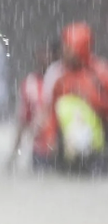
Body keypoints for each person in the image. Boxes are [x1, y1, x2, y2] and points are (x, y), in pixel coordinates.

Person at [39, 22, 108, 172]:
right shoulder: (57, 74)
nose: (63, 51)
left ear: (80, 48)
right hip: (65, 146)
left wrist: (92, 100)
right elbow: (50, 111)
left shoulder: (101, 73)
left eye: (68, 47)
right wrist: (50, 139)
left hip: (97, 147)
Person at [7, 40, 62, 172]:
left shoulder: (63, 79)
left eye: (47, 52)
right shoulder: (29, 83)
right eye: (40, 53)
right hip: (40, 150)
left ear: (56, 55)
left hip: (62, 147)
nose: (43, 57)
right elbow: (23, 120)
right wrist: (14, 155)